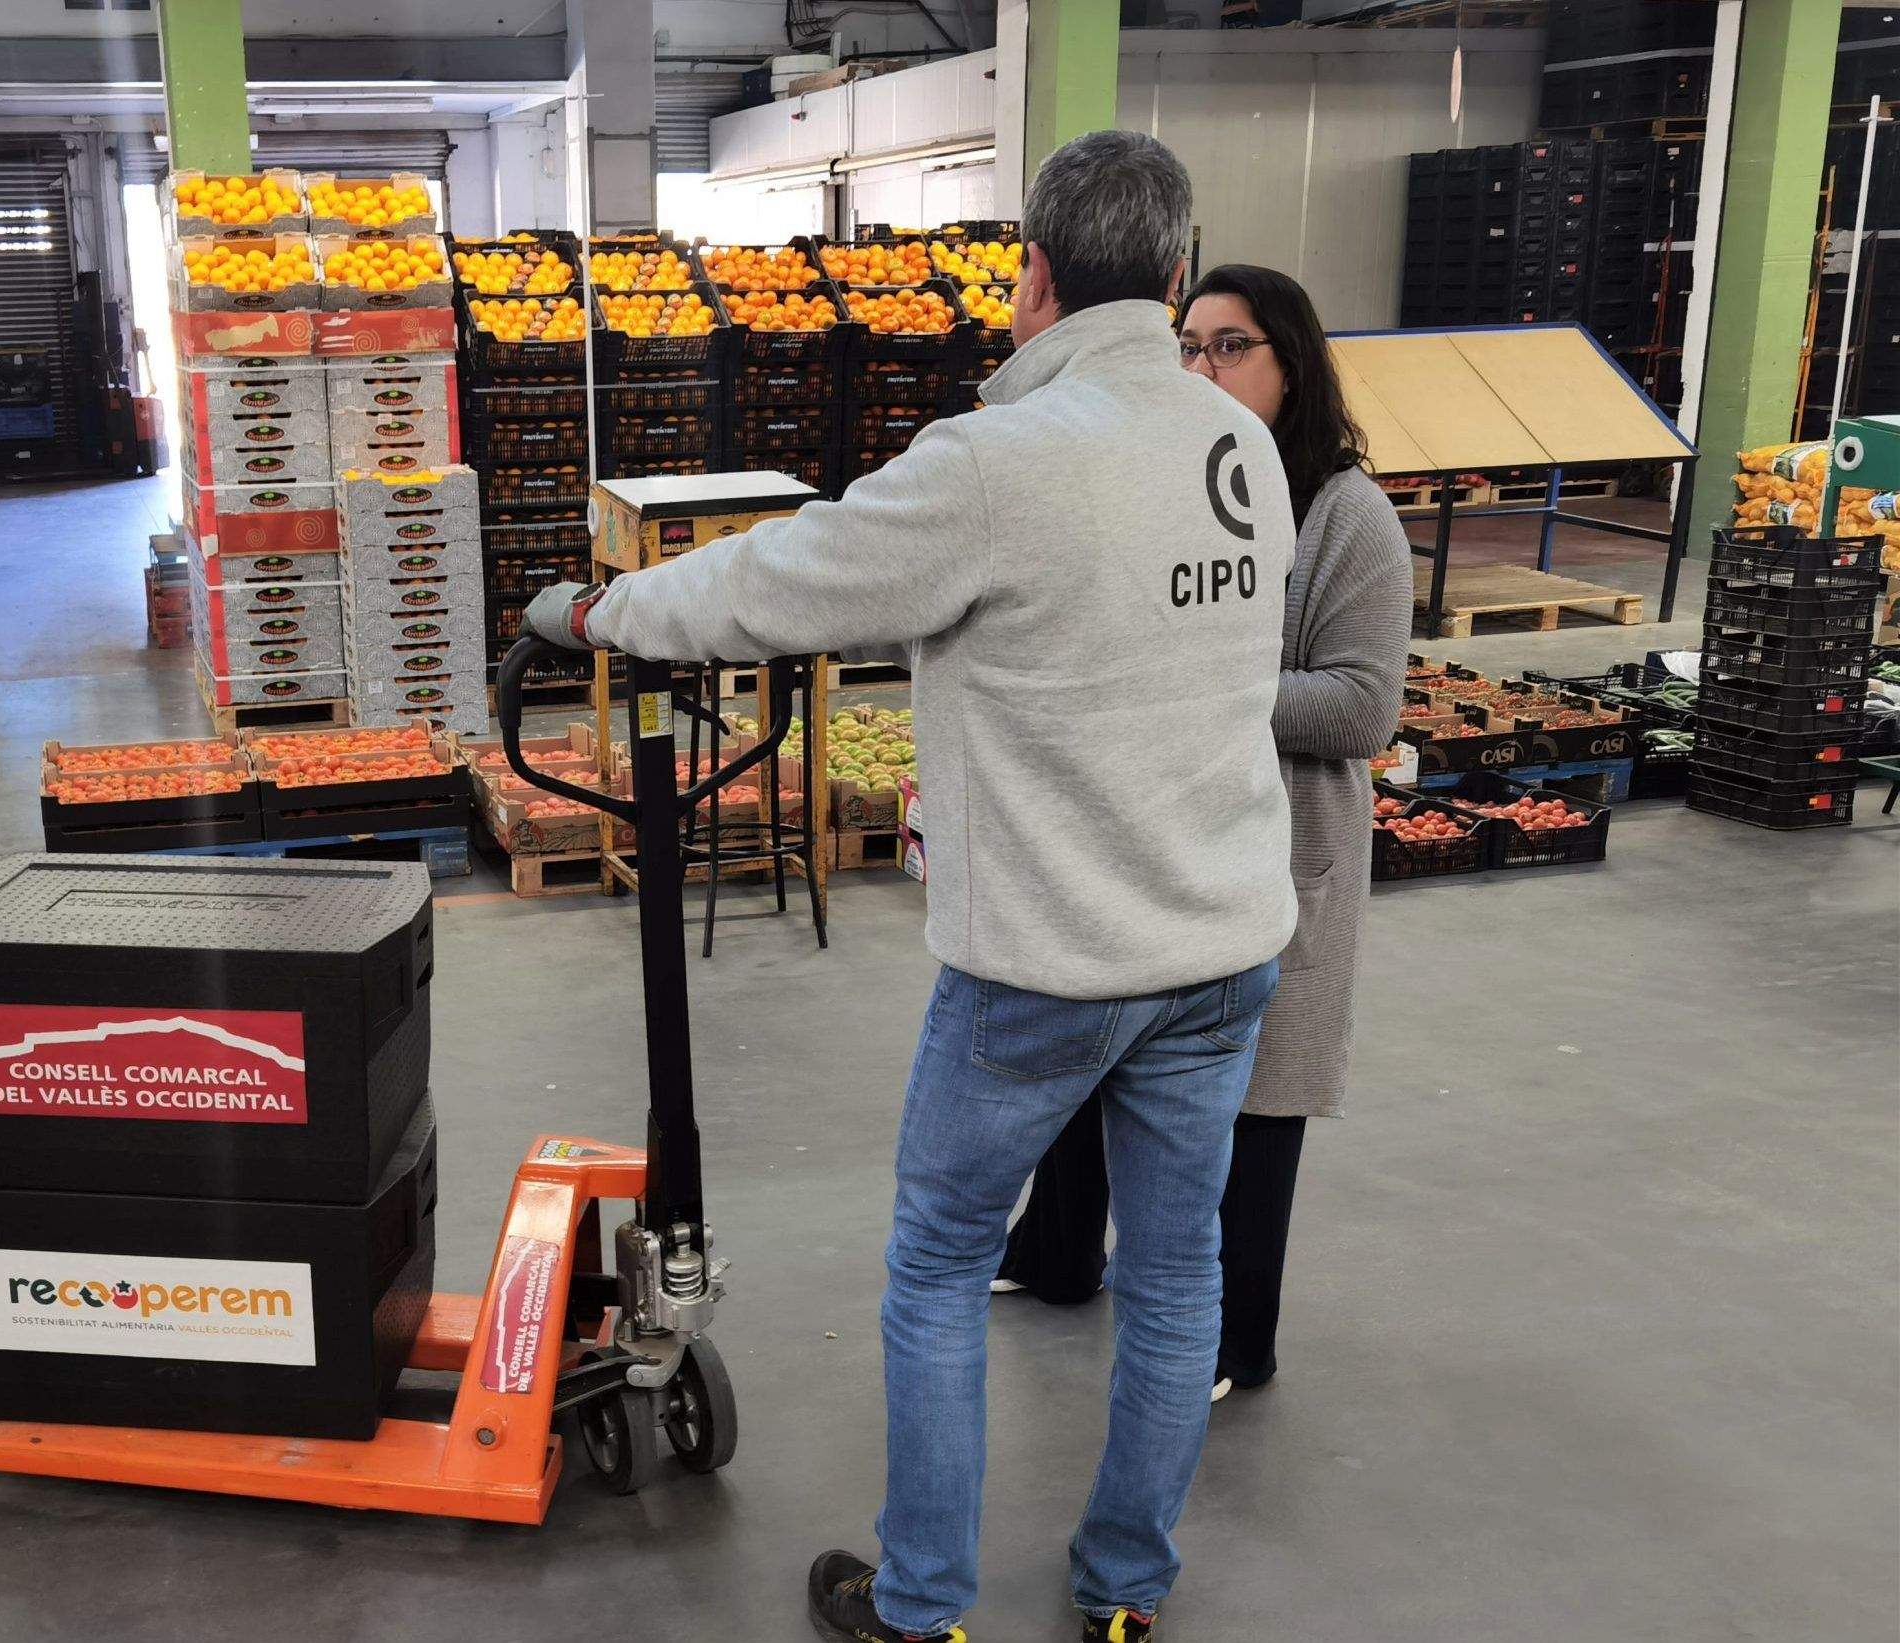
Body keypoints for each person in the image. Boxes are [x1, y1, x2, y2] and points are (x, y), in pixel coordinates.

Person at [522, 131, 1295, 1643]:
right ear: (1180, 276)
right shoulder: (1238, 447)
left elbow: (775, 580)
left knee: (938, 1260)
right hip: (1220, 947)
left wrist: (605, 609)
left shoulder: (1001, 463)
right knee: (1177, 1272)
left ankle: (927, 1598)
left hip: (1049, 962)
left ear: (1035, 283)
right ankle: (1127, 1590)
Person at [992, 266, 1412, 1406]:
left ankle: (1237, 1338)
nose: (1202, 369)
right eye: (1189, 346)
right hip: (1155, 821)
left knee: (1257, 1099)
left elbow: (1362, 708)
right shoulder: (1177, 479)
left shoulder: (1345, 514)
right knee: (1096, 1046)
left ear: (1292, 363)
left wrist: (1205, 678)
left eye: (1231, 348)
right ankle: (1056, 1255)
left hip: (1282, 847)